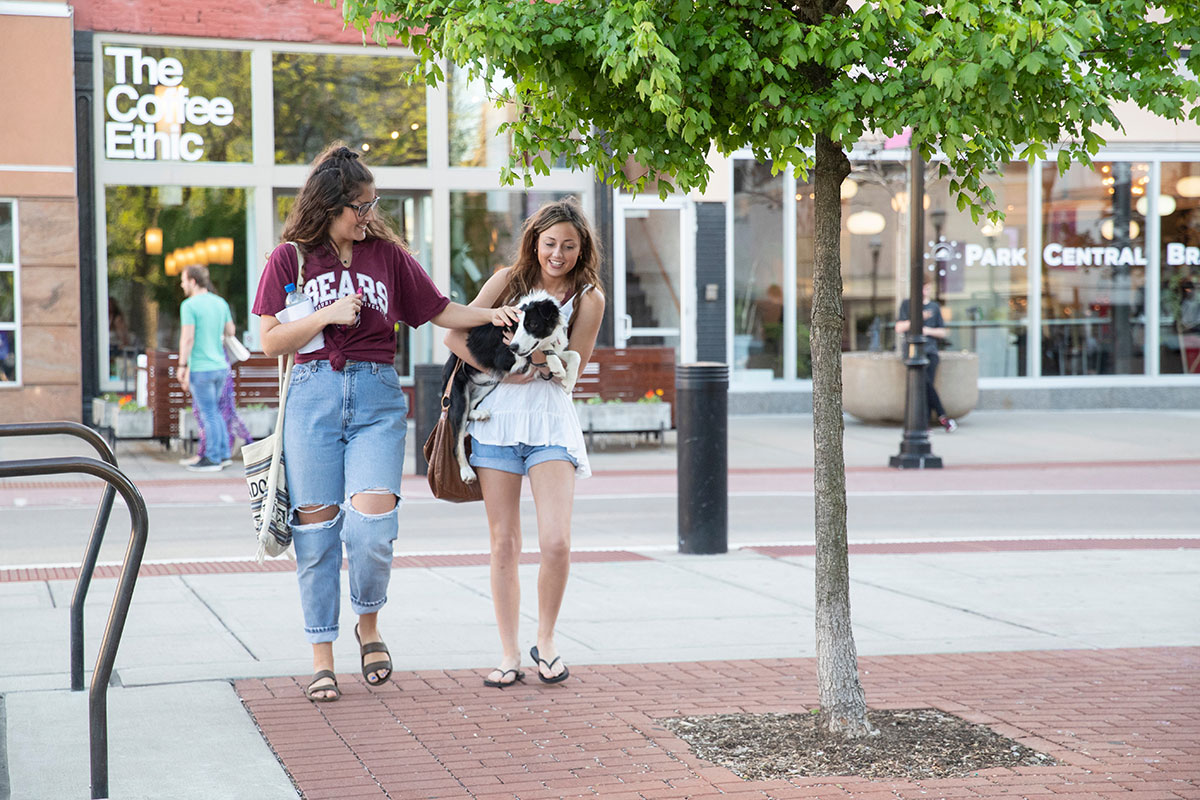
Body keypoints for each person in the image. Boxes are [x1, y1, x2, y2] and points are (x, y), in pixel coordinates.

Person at [253, 142, 518, 703]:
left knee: (371, 528)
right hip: (311, 394)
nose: (370, 216)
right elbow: (270, 339)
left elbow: (437, 309)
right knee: (317, 533)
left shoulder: (387, 257)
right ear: (331, 207)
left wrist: (489, 314)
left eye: (373, 205)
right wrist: (325, 315)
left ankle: (367, 624)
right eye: (361, 207)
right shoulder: (290, 259)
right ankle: (322, 656)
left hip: (376, 396)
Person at [444, 198, 605, 687]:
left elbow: (572, 369)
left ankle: (547, 640)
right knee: (504, 544)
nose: (558, 254)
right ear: (535, 241)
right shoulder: (505, 281)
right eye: (550, 243)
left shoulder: (589, 298)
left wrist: (547, 365)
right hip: (495, 421)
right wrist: (506, 368)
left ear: (582, 250)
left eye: (569, 246)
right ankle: (509, 653)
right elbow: (454, 336)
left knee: (556, 541)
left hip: (550, 425)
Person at [178, 265, 235, 470]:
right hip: (220, 366)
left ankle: (211, 458)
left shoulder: (189, 305)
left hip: (201, 368)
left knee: (208, 413)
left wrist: (182, 365)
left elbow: (188, 338)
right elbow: (230, 330)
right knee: (216, 412)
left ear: (193, 281)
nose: (182, 284)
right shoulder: (220, 303)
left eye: (184, 280)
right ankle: (223, 454)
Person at [895, 280, 957, 432]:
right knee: (924, 384)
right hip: (912, 351)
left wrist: (927, 330)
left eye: (928, 288)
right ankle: (942, 416)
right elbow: (899, 327)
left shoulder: (934, 307)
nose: (925, 291)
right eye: (923, 288)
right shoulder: (907, 304)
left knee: (926, 385)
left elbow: (942, 332)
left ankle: (926, 422)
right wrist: (918, 317)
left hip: (930, 351)